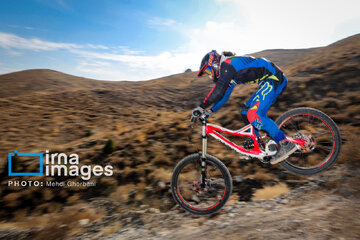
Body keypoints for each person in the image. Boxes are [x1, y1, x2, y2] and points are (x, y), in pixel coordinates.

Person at [192, 50, 296, 164]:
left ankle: (285, 143)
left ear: (215, 63)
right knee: (245, 112)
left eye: (208, 70)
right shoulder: (229, 72)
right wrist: (211, 110)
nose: (210, 75)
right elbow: (224, 96)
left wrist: (201, 107)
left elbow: (219, 90)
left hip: (275, 79)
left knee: (254, 114)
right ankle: (256, 145)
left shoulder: (227, 65)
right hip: (268, 82)